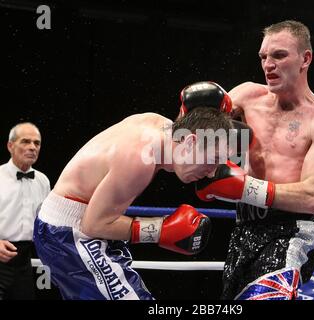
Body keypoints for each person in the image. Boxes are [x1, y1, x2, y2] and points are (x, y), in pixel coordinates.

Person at [195, 20, 314, 299]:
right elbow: (192, 138)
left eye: (279, 55)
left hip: (293, 229)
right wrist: (192, 122)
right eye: (264, 57)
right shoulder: (247, 96)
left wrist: (242, 188)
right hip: (245, 225)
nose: (268, 65)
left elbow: (312, 196)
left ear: (305, 59)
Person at [33, 93, 234, 300]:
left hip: (74, 228)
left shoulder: (163, 128)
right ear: (191, 142)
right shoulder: (140, 158)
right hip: (70, 234)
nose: (212, 172)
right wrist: (160, 230)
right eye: (214, 159)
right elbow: (92, 225)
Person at [0, 122, 50, 300]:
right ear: (10, 145)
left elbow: (45, 222)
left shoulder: (42, 181)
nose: (32, 147)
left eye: (37, 143)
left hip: (24, 260)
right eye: (25, 141)